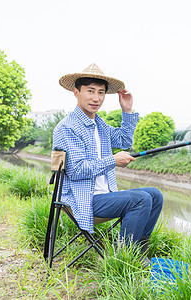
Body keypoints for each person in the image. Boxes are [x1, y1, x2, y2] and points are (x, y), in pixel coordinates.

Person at [52, 63, 163, 265]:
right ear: (76, 92)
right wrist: (113, 160)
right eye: (90, 91)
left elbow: (123, 142)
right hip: (81, 201)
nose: (96, 98)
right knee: (140, 200)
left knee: (155, 195)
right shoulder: (66, 127)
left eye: (101, 92)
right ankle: (124, 259)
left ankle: (137, 251)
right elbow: (75, 171)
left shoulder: (98, 124)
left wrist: (127, 111)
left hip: (103, 196)